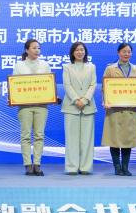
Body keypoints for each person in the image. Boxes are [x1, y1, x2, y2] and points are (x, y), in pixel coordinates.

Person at [101, 43, 136, 176]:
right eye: (124, 51)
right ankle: (117, 167)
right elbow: (104, 88)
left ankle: (125, 167)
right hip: (114, 110)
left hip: (131, 110)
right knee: (114, 140)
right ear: (118, 53)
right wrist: (105, 101)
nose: (126, 54)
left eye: (129, 52)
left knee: (128, 140)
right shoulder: (110, 69)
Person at [13, 39, 52, 176]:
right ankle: (27, 165)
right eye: (34, 48)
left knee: (39, 135)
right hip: (25, 106)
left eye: (38, 48)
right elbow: (15, 85)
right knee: (25, 136)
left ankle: (37, 164)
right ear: (27, 50)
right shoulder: (19, 65)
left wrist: (52, 95)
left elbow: (49, 84)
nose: (37, 50)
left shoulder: (45, 65)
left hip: (41, 105)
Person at [61, 41, 96, 176]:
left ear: (85, 52)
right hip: (71, 106)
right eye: (77, 50)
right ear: (72, 52)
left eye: (82, 50)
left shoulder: (91, 67)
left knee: (87, 139)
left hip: (88, 106)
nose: (80, 52)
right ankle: (72, 167)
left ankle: (86, 167)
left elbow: (93, 85)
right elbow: (67, 85)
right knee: (71, 139)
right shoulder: (67, 67)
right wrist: (76, 100)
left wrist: (85, 99)